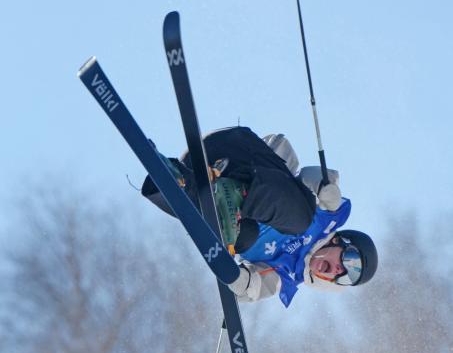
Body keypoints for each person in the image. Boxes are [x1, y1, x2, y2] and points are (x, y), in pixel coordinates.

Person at [141, 126, 378, 307]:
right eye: (350, 261)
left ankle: (174, 182)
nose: (340, 271)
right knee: (300, 220)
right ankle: (234, 192)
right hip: (237, 154)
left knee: (240, 238)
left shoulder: (286, 275)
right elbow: (316, 180)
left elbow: (256, 286)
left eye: (348, 278)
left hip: (199, 171)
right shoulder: (327, 220)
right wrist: (326, 188)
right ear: (340, 242)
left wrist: (240, 283)